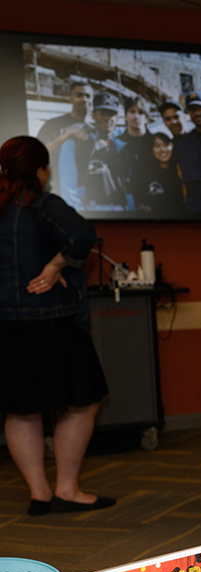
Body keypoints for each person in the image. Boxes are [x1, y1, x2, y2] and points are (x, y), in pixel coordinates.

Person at [0, 136, 114, 514]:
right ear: (40, 171)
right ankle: (67, 489)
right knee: (82, 405)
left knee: (20, 410)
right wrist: (54, 266)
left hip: (8, 326)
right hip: (53, 322)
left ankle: (39, 493)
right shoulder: (42, 204)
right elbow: (83, 235)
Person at [36, 81, 93, 192]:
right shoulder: (53, 124)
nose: (84, 99)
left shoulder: (93, 130)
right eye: (79, 95)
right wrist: (64, 137)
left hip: (83, 192)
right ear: (70, 98)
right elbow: (38, 155)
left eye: (88, 96)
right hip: (56, 190)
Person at [129, 132, 184, 214]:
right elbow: (141, 204)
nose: (163, 149)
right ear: (151, 149)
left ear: (172, 146)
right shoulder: (144, 174)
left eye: (166, 144)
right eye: (157, 146)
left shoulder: (181, 171)